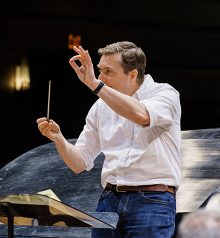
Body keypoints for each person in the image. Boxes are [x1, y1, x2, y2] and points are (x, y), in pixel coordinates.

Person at [36, 41, 181, 237]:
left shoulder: (164, 93)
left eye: (108, 72)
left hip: (152, 200)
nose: (100, 77)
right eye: (99, 70)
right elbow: (79, 163)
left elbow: (142, 116)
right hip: (109, 199)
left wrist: (94, 84)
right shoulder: (99, 107)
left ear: (132, 74)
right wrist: (58, 139)